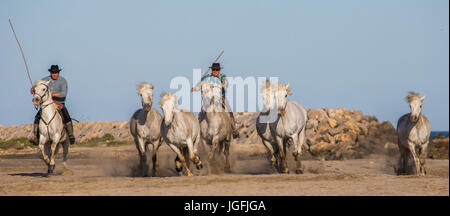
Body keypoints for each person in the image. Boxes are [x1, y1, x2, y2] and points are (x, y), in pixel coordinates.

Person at [29, 65, 76, 144]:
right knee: (37, 117)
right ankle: (35, 136)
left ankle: (71, 135)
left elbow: (63, 94)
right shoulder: (44, 80)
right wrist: (33, 89)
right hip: (47, 104)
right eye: (53, 73)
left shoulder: (63, 81)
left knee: (66, 116)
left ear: (58, 73)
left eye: (56, 73)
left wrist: (52, 94)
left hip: (59, 103)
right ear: (50, 73)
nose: (55, 74)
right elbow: (37, 88)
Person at [191, 63, 239, 138]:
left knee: (229, 111)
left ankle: (234, 130)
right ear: (211, 70)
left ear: (219, 70)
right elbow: (200, 85)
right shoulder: (206, 77)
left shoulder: (222, 77)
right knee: (201, 113)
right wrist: (195, 88)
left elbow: (225, 84)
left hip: (220, 98)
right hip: (208, 99)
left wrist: (223, 85)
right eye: (214, 70)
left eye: (217, 70)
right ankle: (199, 130)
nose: (215, 71)